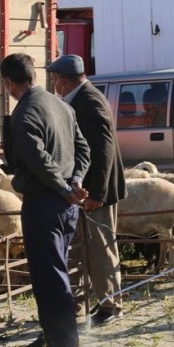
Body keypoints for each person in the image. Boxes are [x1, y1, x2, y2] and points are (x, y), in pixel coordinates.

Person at [0, 53, 90, 347]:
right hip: (66, 206)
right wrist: (75, 180)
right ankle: (52, 337)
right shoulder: (61, 105)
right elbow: (83, 149)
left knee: (50, 277)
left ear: (9, 83)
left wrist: (65, 188)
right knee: (57, 270)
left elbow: (39, 162)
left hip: (44, 204)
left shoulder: (24, 115)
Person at [47, 54, 127, 326]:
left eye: (55, 80)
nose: (54, 85)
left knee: (101, 248)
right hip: (87, 190)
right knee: (88, 248)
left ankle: (111, 306)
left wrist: (97, 194)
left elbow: (102, 150)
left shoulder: (89, 102)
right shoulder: (82, 98)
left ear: (63, 80)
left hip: (95, 193)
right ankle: (95, 304)